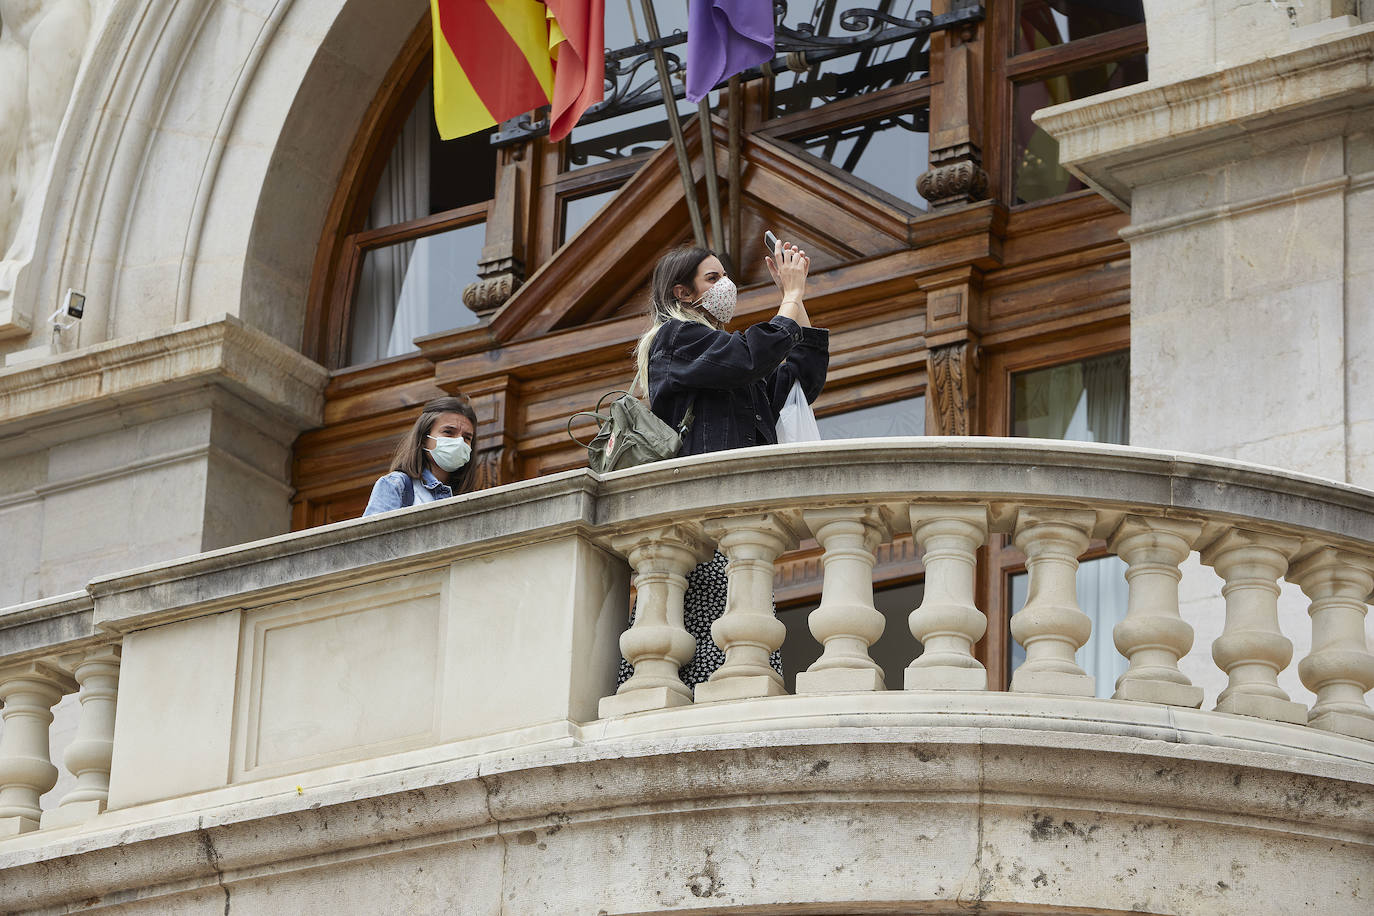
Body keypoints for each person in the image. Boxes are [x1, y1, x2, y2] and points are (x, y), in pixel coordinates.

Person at [619, 240, 829, 688]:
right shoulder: (675, 340)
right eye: (712, 278)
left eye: (725, 276)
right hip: (701, 525)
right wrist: (787, 300)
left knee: (741, 636)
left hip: (738, 527)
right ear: (683, 293)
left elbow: (799, 377)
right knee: (699, 644)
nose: (726, 286)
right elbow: (749, 357)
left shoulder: (724, 355)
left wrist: (796, 298)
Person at [362, 395, 478, 516]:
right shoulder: (397, 485)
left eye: (466, 438)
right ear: (423, 438)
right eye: (448, 432)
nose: (459, 442)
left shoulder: (470, 499)